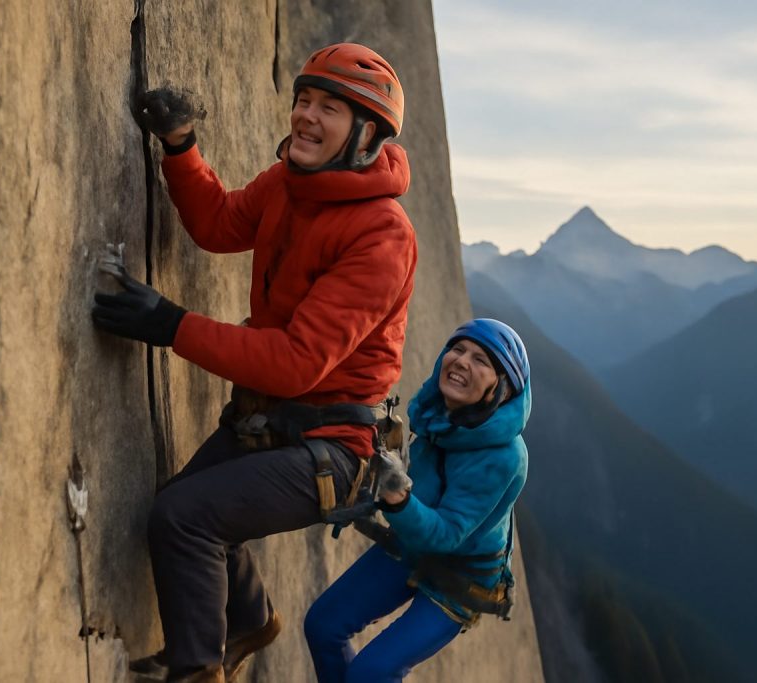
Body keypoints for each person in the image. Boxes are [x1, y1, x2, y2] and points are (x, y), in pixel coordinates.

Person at [91, 43, 416, 683]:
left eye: (329, 108)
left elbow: (296, 362)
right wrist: (181, 147)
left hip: (333, 445)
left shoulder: (383, 235)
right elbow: (218, 225)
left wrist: (173, 326)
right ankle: (249, 622)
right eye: (303, 100)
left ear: (368, 133)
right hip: (273, 420)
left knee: (184, 519)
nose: (306, 117)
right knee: (190, 504)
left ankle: (196, 672)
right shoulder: (290, 183)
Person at [304, 318, 531, 682]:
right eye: (457, 349)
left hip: (461, 578)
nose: (461, 361)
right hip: (414, 540)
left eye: (481, 360)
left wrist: (396, 497)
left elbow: (447, 533)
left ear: (501, 390)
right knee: (323, 625)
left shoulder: (505, 458)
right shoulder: (435, 413)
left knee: (371, 672)